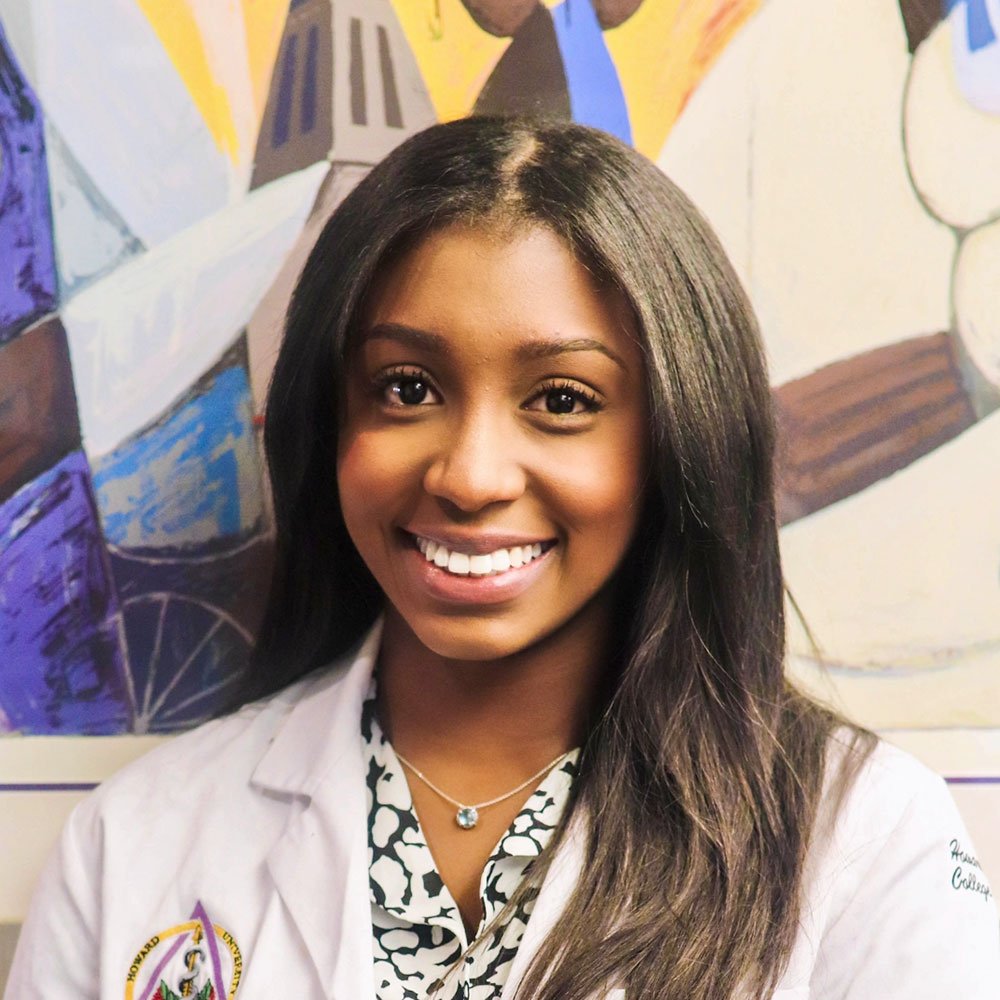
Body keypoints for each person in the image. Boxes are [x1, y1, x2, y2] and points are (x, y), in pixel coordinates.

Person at [6, 117, 999, 1000]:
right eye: (406, 388)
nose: (470, 475)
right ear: (332, 417)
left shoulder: (864, 839)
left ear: (675, 438)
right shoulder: (134, 845)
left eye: (562, 400)